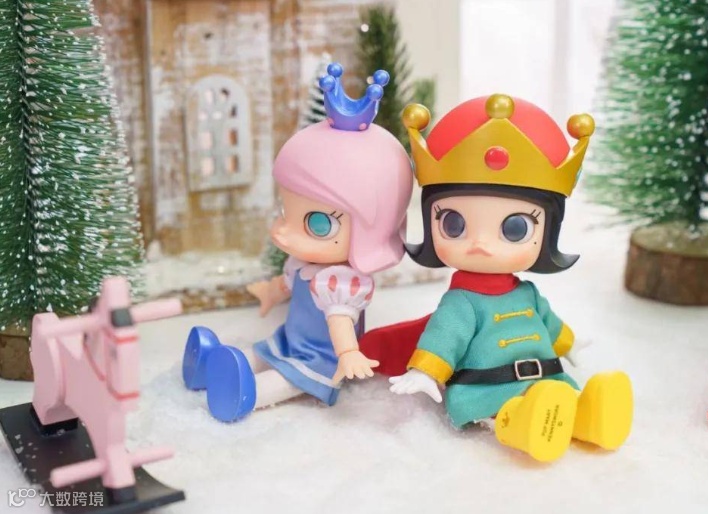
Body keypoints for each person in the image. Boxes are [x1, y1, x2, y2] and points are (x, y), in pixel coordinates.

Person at [360, 94, 633, 462]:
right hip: (487, 385)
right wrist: (425, 372)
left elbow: (548, 321)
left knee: (561, 396)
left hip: (545, 377)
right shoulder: (461, 302)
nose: (481, 244)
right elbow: (445, 337)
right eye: (454, 224)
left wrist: (568, 342)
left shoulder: (528, 292)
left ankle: (589, 419)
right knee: (512, 411)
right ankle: (521, 424)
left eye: (514, 228)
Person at [182, 63, 413, 422]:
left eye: (317, 223)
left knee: (287, 378)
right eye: (284, 210)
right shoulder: (304, 264)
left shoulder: (342, 282)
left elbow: (339, 319)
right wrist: (270, 291)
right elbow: (289, 283)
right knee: (265, 352)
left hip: (323, 357)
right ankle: (209, 364)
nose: (282, 231)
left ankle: (247, 395)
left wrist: (348, 353)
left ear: (371, 230)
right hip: (292, 339)